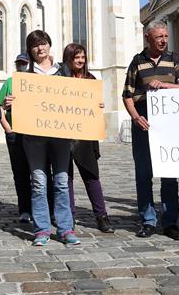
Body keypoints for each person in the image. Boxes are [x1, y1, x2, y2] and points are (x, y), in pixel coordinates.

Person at [4, 30, 79, 246]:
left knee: (62, 182)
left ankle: (65, 228)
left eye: (43, 43)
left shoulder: (63, 71)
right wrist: (10, 102)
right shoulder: (25, 76)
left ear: (49, 45)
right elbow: (13, 104)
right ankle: (42, 229)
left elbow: (77, 97)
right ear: (30, 50)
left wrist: (93, 105)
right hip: (34, 137)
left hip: (60, 136)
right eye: (35, 45)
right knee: (38, 182)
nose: (40, 48)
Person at [122, 19, 179, 240]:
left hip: (169, 123)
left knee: (169, 174)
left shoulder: (173, 59)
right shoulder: (137, 62)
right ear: (148, 38)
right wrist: (135, 117)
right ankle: (148, 220)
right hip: (143, 120)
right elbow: (127, 95)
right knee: (144, 174)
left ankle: (170, 222)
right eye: (159, 37)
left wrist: (165, 86)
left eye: (166, 36)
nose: (164, 41)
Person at [63, 43, 114, 233]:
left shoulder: (91, 79)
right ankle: (69, 218)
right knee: (65, 179)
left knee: (92, 177)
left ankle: (102, 217)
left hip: (85, 137)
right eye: (76, 57)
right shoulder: (59, 80)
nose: (80, 60)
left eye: (83, 57)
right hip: (63, 135)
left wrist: (99, 105)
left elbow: (94, 109)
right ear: (68, 58)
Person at [0, 53, 32, 223]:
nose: (22, 67)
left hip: (34, 133)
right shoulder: (9, 82)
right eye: (19, 64)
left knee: (40, 173)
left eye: (24, 64)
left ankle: (45, 209)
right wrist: (8, 128)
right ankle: (24, 209)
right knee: (20, 173)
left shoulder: (37, 81)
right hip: (15, 133)